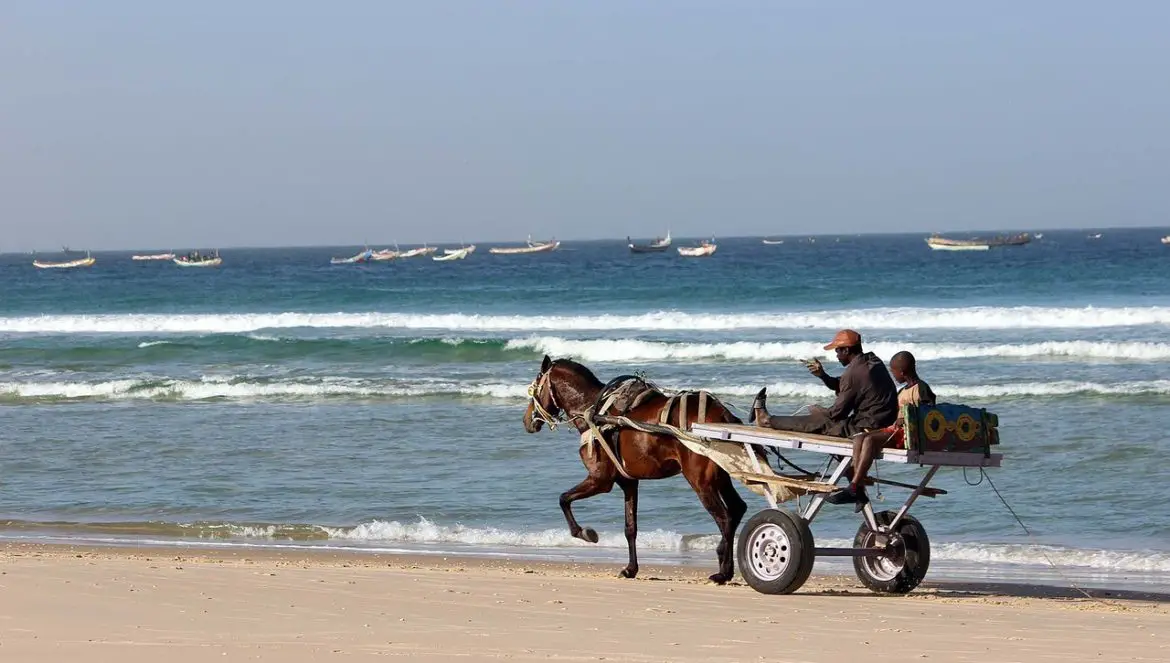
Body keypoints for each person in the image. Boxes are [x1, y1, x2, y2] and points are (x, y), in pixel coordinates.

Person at [824, 350, 937, 508]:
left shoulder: (921, 388)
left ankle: (855, 486)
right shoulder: (902, 391)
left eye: (894, 372)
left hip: (909, 435)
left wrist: (906, 418)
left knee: (869, 440)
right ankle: (857, 488)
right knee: (858, 437)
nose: (893, 375)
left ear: (902, 372)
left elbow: (931, 414)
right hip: (895, 430)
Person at [750, 329, 898, 439]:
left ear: (846, 350)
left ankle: (766, 420)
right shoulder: (873, 361)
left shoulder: (853, 373)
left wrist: (818, 411)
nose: (836, 355)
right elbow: (846, 385)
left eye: (838, 351)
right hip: (882, 423)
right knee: (825, 420)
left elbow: (836, 414)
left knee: (817, 422)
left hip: (868, 429)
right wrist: (823, 375)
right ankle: (851, 473)